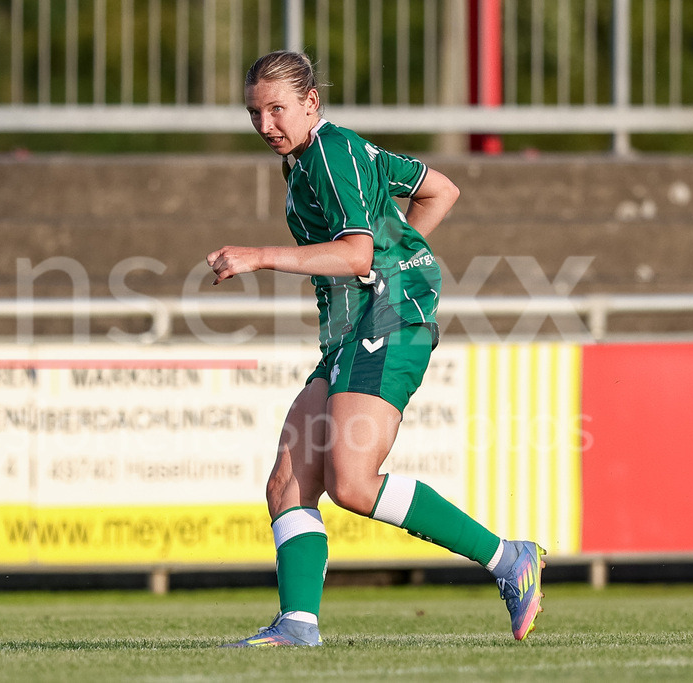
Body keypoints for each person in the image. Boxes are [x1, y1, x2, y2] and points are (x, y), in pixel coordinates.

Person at [207, 50, 545, 647]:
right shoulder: (328, 153)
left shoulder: (331, 155)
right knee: (289, 481)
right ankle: (297, 625)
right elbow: (440, 190)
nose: (266, 126)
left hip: (387, 319)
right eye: (255, 113)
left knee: (354, 483)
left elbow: (360, 255)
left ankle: (507, 558)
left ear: (312, 103)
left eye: (277, 109)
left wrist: (260, 255)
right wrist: (403, 250)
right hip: (353, 325)